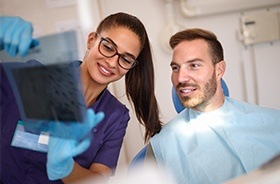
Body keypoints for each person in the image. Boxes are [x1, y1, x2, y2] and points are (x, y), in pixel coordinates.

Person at [0, 12, 162, 184]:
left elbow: (97, 180)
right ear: (91, 40)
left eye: (126, 59)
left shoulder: (116, 116)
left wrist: (66, 166)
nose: (113, 63)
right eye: (108, 47)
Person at [149, 28, 280, 184]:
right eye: (175, 68)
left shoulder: (272, 122)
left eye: (194, 65)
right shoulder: (161, 147)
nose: (181, 78)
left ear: (219, 70)